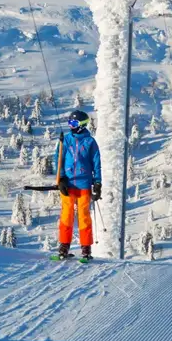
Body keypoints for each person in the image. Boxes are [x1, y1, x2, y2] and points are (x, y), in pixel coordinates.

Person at [55, 109, 102, 262]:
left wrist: (97, 183)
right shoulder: (66, 140)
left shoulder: (90, 142)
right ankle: (64, 246)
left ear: (82, 125)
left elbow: (96, 163)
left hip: (83, 185)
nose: (71, 126)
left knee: (84, 216)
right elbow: (59, 159)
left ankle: (86, 248)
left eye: (73, 123)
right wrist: (61, 178)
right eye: (69, 122)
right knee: (66, 215)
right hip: (68, 184)